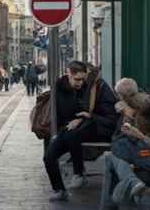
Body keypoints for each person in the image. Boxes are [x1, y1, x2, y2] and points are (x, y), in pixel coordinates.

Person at [86, 83, 150, 210]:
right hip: (145, 156)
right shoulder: (142, 109)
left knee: (113, 157)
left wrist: (134, 128)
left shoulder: (148, 113)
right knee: (115, 157)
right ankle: (129, 187)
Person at [43, 60, 118, 201]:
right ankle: (59, 189)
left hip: (90, 127)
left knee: (72, 134)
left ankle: (79, 173)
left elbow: (102, 116)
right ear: (68, 74)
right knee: (49, 156)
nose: (80, 83)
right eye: (77, 79)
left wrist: (81, 119)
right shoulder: (60, 86)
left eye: (83, 79)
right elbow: (63, 112)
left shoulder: (94, 87)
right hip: (68, 128)